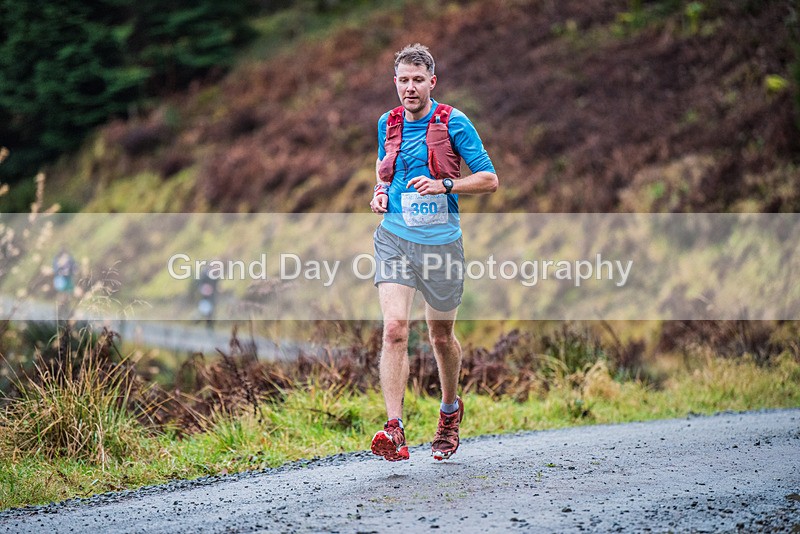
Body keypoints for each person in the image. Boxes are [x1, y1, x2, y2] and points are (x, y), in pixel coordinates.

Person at [369, 43, 498, 461]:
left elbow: (489, 179)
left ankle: (449, 412)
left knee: (440, 336)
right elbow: (384, 168)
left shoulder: (454, 122)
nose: (410, 88)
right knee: (394, 329)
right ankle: (395, 430)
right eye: (403, 80)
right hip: (394, 238)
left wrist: (446, 186)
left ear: (432, 82)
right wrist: (381, 192)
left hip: (441, 244)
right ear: (395, 82)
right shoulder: (386, 124)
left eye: (418, 80)